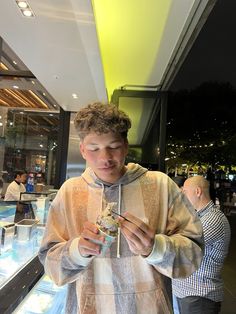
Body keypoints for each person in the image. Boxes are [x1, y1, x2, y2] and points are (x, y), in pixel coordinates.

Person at [38, 102, 203, 314]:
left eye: (113, 147)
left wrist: (155, 247)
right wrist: (77, 251)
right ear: (82, 150)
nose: (104, 158)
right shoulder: (70, 191)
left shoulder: (161, 185)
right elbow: (50, 263)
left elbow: (194, 252)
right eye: (94, 148)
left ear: (125, 146)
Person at [172, 175, 231, 314]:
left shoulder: (213, 219)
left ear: (198, 192)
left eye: (185, 191)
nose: (182, 195)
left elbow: (183, 247)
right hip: (188, 293)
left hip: (200, 296)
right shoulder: (198, 216)